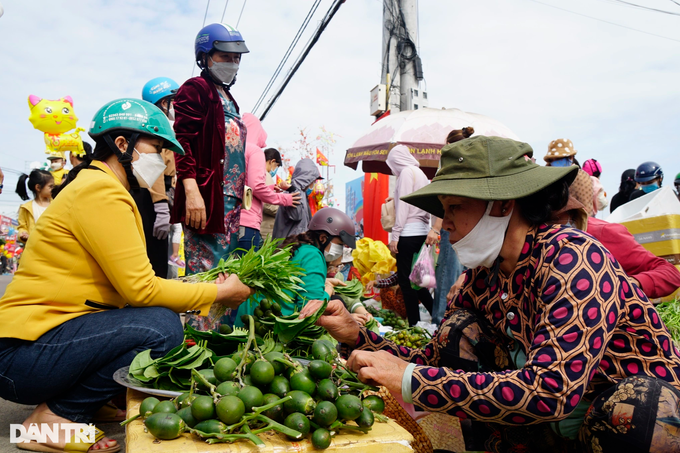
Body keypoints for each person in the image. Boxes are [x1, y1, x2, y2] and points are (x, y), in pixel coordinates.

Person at [302, 135, 680, 452]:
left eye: (454, 208)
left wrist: (411, 379)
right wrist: (358, 336)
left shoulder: (573, 258)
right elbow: (431, 357)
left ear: (502, 204)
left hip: (621, 410)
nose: (445, 224)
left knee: (633, 411)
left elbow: (550, 391)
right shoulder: (484, 276)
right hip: (561, 422)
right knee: (456, 333)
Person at [0, 98, 253, 453]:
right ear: (123, 145)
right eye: (158, 148)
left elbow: (134, 282)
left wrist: (203, 285)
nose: (164, 160)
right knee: (161, 328)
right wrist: (218, 294)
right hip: (20, 357)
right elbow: (143, 291)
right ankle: (54, 419)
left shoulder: (100, 187)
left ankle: (86, 399)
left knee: (146, 321)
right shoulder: (100, 191)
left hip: (33, 350)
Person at [172, 23, 249, 277]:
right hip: (207, 197)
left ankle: (223, 320)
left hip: (230, 202)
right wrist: (191, 191)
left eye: (236, 58)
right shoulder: (196, 88)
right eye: (224, 56)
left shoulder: (228, 97)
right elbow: (182, 142)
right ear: (205, 58)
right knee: (206, 273)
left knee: (226, 273)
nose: (232, 62)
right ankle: (197, 319)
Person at [237, 207, 355, 322]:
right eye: (340, 245)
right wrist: (329, 289)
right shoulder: (312, 256)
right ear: (323, 238)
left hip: (247, 320)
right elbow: (311, 310)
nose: (340, 250)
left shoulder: (297, 247)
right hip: (266, 327)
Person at [385, 144, 433, 326]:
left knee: (406, 283)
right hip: (421, 232)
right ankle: (436, 317)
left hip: (407, 233)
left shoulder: (405, 173)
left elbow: (404, 205)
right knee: (418, 282)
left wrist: (395, 235)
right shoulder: (420, 174)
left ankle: (414, 324)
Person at [239, 114, 299, 252]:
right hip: (248, 221)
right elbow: (257, 188)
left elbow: (244, 184)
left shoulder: (234, 149)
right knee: (244, 271)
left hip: (232, 220)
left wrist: (271, 188)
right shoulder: (254, 151)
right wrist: (285, 199)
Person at [272, 158, 320, 239]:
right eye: (313, 181)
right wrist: (292, 190)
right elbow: (296, 215)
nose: (314, 184)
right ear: (308, 179)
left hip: (293, 245)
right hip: (288, 247)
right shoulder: (292, 192)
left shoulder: (301, 194)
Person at [16, 169, 54, 245]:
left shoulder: (56, 203)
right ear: (38, 187)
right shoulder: (25, 208)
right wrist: (23, 234)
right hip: (34, 249)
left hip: (53, 247)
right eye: (50, 186)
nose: (53, 189)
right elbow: (22, 227)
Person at [261, 148, 284, 238]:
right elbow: (267, 203)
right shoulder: (266, 175)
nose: (275, 170)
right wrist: (282, 211)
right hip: (265, 228)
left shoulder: (258, 174)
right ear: (272, 161)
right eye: (276, 166)